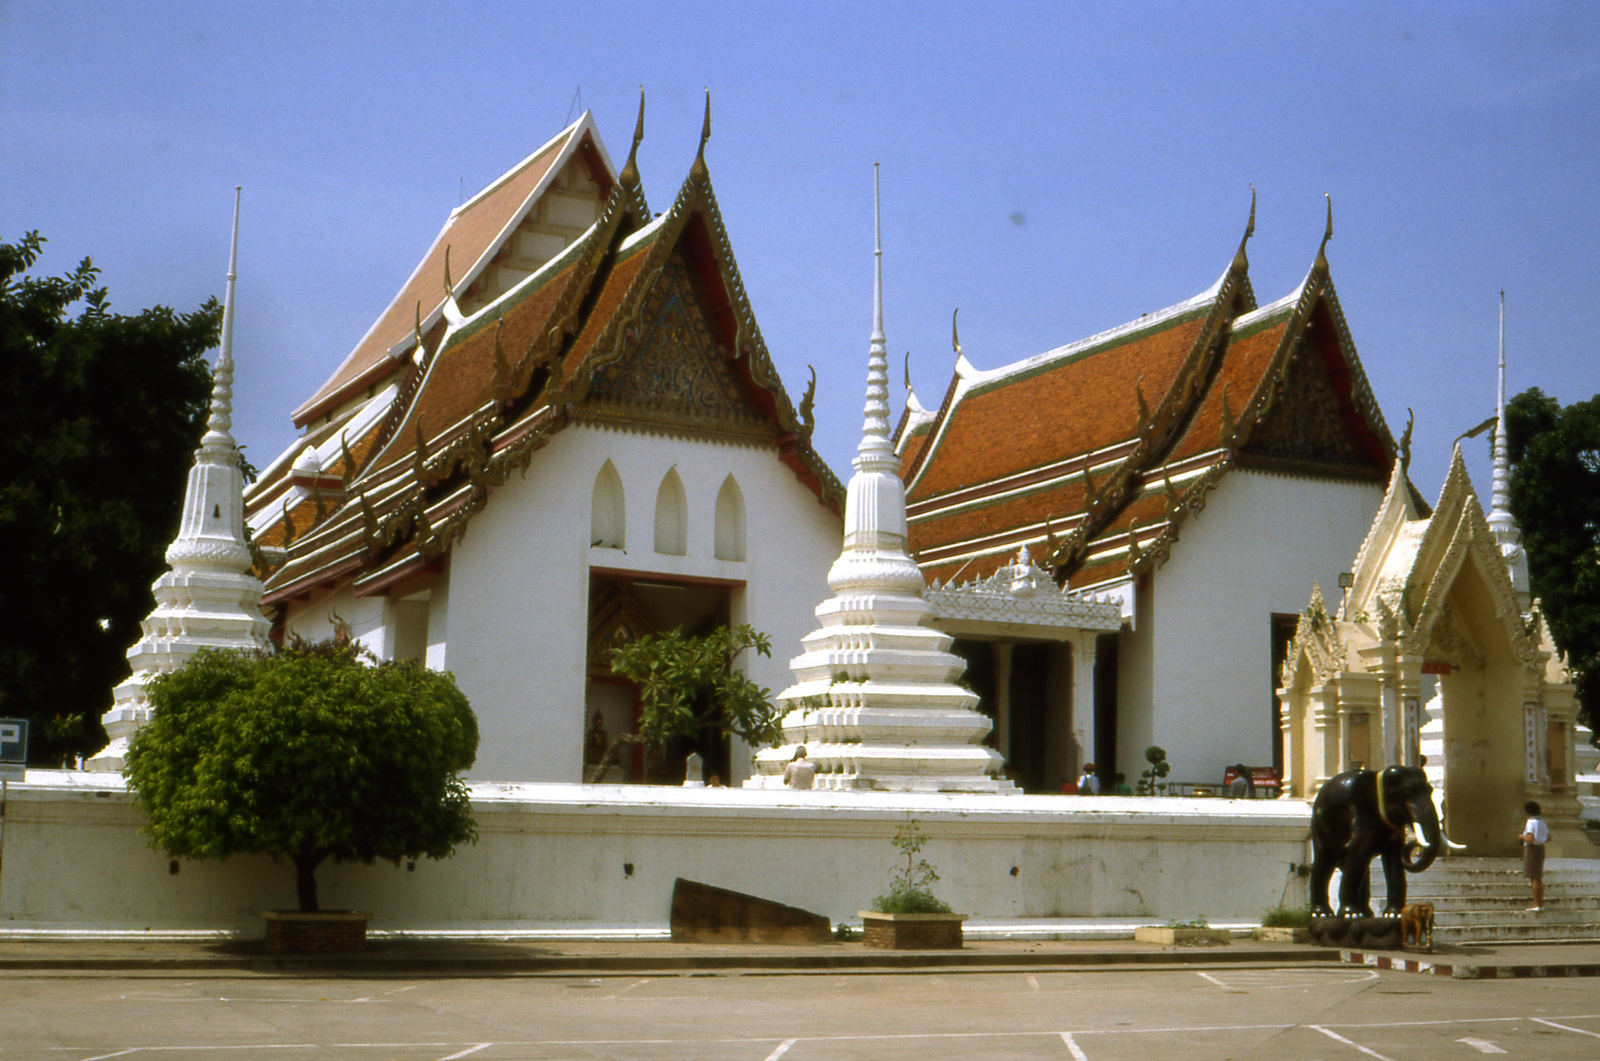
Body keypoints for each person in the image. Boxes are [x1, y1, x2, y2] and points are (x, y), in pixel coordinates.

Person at [1520, 800, 1549, 911]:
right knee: (1539, 877)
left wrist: (1521, 837)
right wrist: (1540, 839)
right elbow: (1549, 837)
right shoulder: (1542, 823)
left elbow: (1530, 839)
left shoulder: (1530, 823)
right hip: (1541, 848)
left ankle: (1536, 904)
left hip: (1532, 850)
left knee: (1534, 878)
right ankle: (1540, 903)